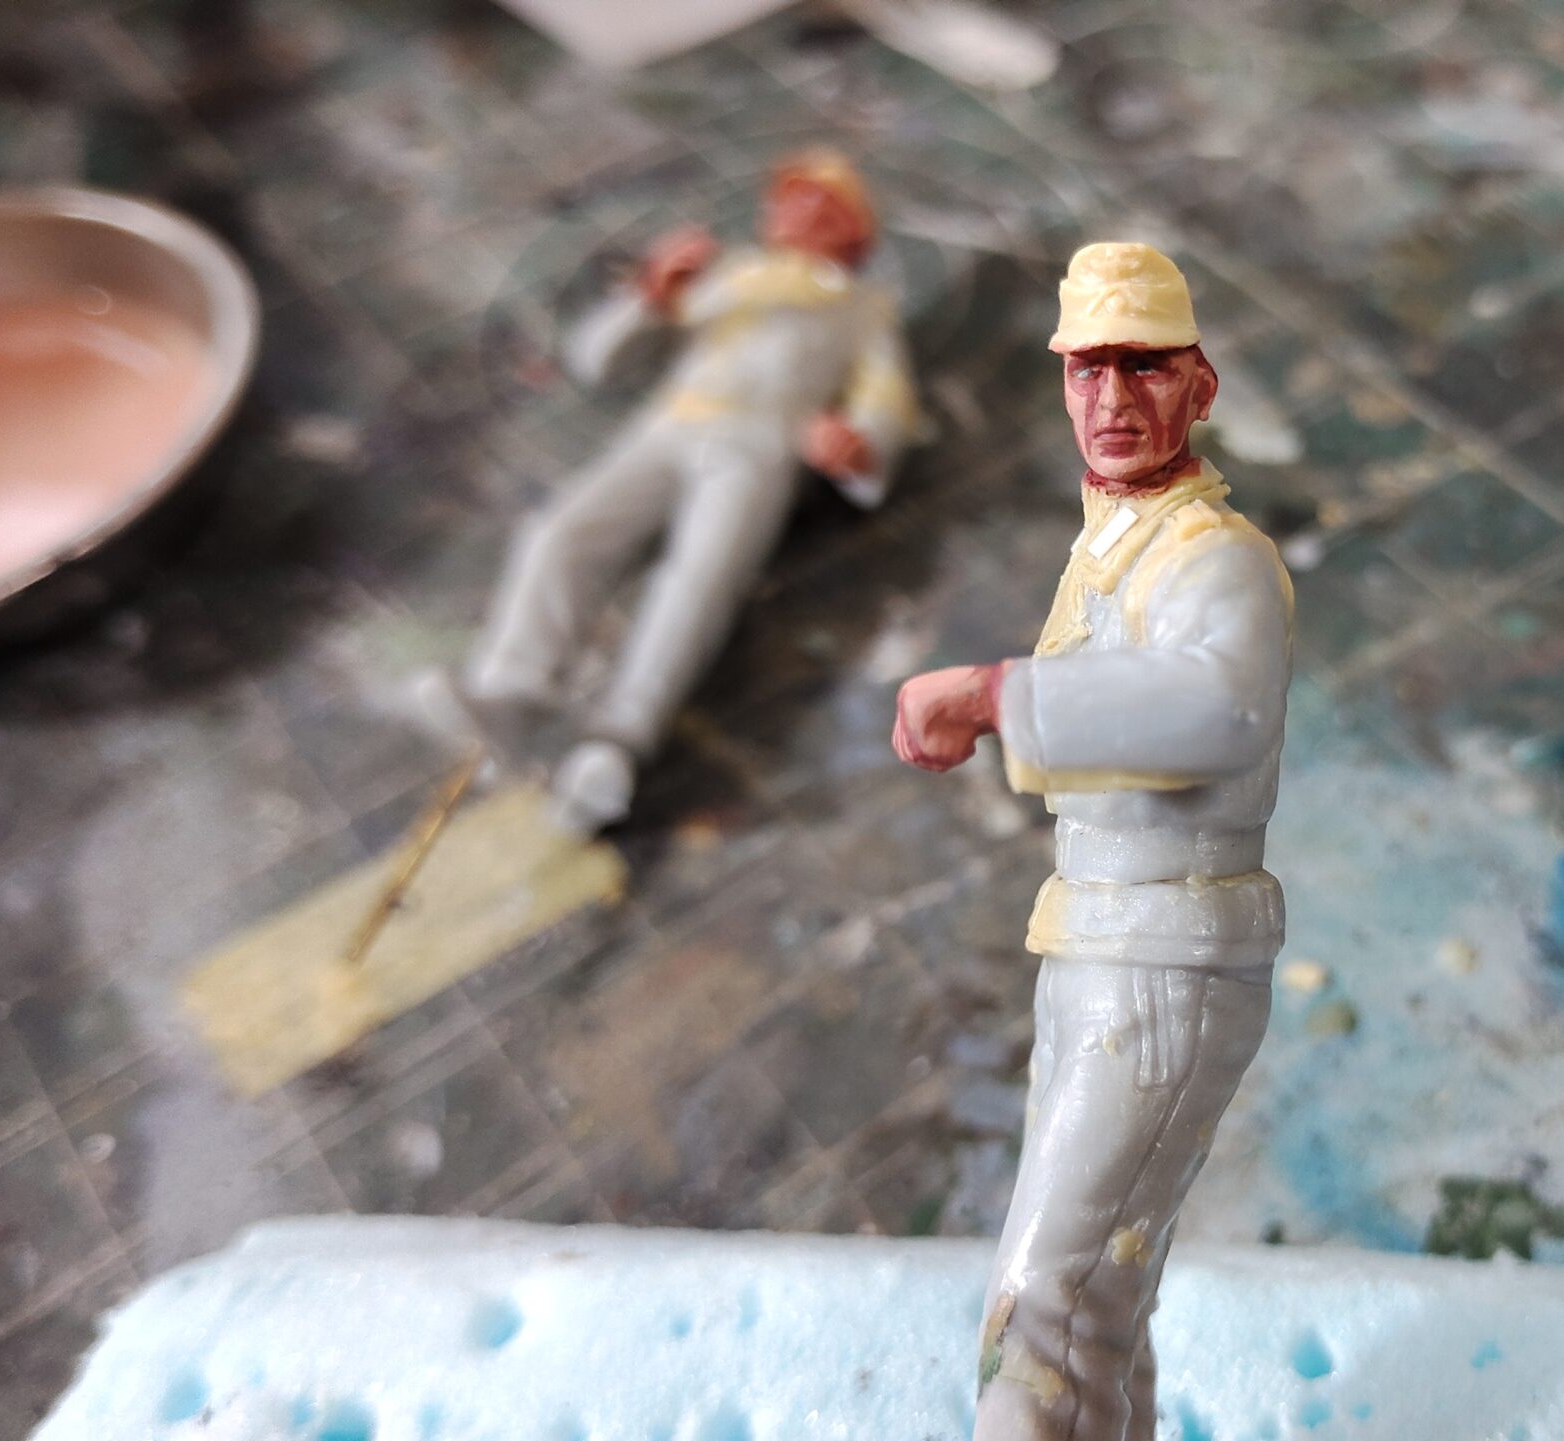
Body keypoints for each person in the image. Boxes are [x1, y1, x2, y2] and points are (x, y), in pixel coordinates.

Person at [893, 242, 1294, 1441]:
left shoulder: (1217, 559)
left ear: (1199, 386)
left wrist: (994, 693)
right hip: (1096, 940)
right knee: (1095, 1304)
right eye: (1087, 370)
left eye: (1144, 367)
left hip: (1164, 952)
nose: (1112, 399)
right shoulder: (1115, 544)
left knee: (1042, 1320)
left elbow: (1214, 712)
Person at [423, 149, 923, 832]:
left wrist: (857, 444)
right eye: (790, 197)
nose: (796, 212)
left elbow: (886, 400)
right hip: (667, 428)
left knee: (696, 583)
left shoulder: (861, 311)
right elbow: (594, 358)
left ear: (852, 231)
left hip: (755, 451)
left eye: (821, 205)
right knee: (562, 531)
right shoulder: (727, 276)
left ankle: (616, 740)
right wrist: (646, 298)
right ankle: (510, 690)